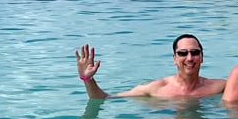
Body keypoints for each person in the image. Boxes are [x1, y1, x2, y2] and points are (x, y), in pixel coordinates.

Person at [74, 35, 226, 98]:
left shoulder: (219, 87)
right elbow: (104, 98)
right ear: (174, 58)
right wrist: (87, 79)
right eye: (182, 53)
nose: (189, 58)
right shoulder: (155, 89)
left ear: (202, 57)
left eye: (194, 52)